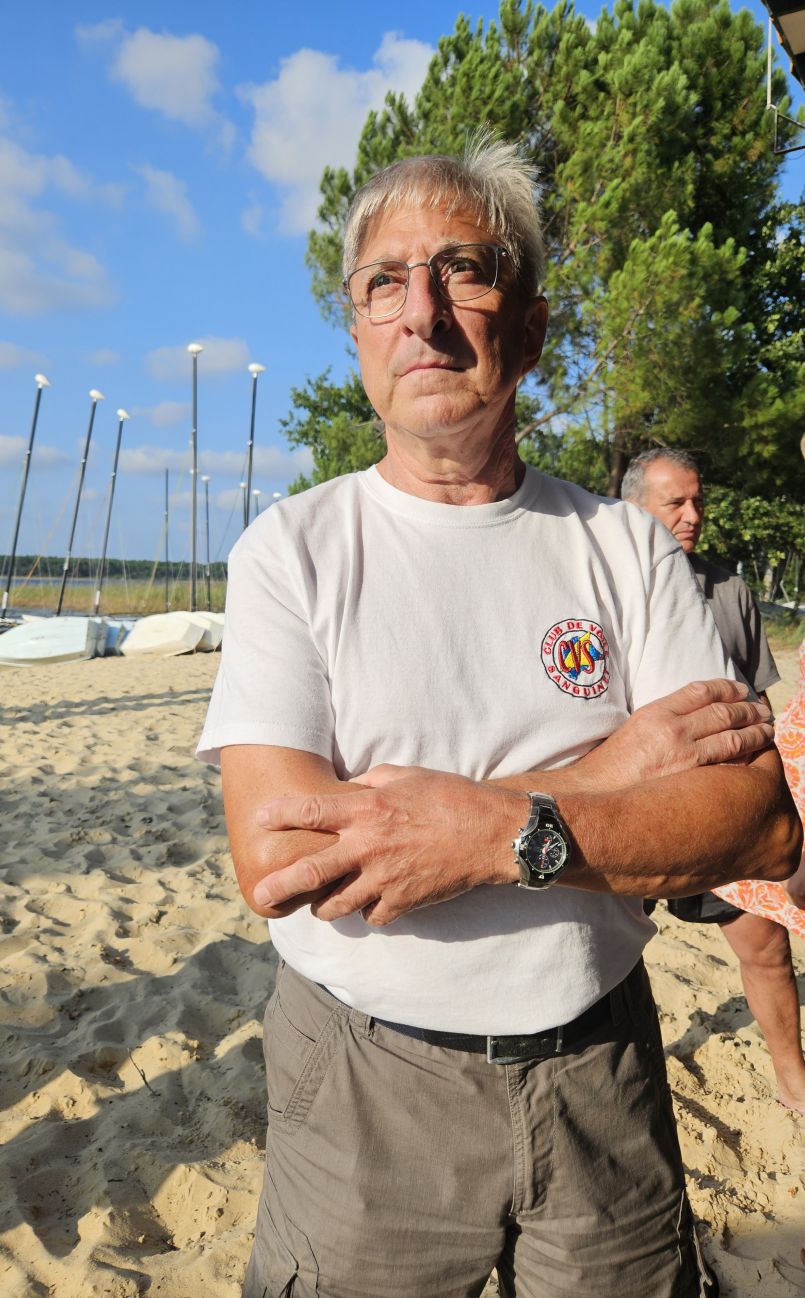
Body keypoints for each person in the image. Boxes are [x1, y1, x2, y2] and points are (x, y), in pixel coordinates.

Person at [198, 139, 800, 1298]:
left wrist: (484, 829)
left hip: (602, 1069)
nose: (420, 313)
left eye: (462, 271)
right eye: (383, 281)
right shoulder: (295, 551)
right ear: (361, 333)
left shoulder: (621, 544)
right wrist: (619, 763)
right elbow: (276, 856)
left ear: (525, 329)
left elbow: (754, 823)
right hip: (369, 1082)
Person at [622, 448, 805, 1113]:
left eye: (698, 501)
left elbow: (761, 711)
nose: (692, 516)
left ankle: (793, 1085)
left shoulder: (728, 589)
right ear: (632, 508)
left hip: (724, 807)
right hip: (629, 812)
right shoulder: (598, 589)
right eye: (674, 503)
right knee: (605, 957)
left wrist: (776, 818)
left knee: (764, 949)